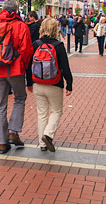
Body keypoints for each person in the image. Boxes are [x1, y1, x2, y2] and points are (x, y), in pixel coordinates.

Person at [0, 0, 34, 154]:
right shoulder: (21, 26)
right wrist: (22, 65)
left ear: (3, 9)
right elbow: (27, 50)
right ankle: (14, 131)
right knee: (19, 98)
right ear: (16, 9)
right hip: (15, 69)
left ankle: (2, 143)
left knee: (0, 104)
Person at [29, 17, 73, 152]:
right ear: (56, 29)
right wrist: (69, 84)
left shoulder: (35, 44)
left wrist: (29, 82)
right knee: (56, 111)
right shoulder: (58, 46)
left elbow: (28, 64)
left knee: (41, 113)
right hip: (55, 83)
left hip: (37, 83)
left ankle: (42, 145)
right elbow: (65, 67)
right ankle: (48, 134)